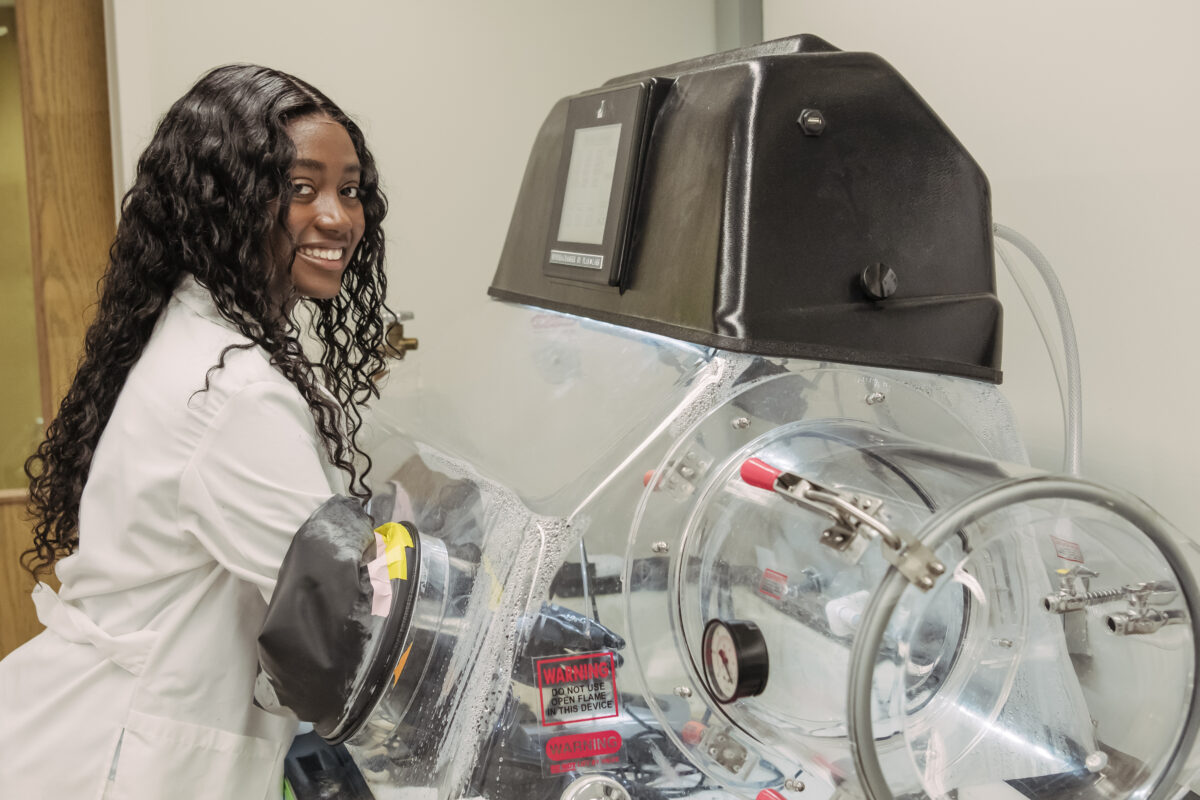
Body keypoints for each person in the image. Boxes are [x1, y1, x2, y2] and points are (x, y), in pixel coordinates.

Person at [0, 64, 390, 798]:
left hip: (91, 730)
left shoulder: (200, 329)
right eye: (300, 189)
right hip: (119, 759)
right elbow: (341, 613)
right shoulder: (232, 387)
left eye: (350, 188)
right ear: (226, 199)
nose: (338, 217)